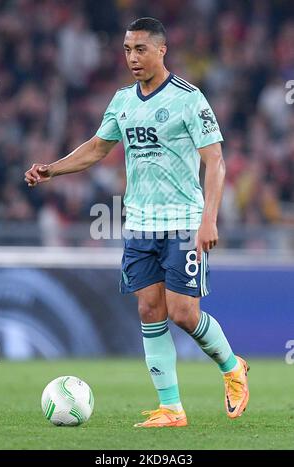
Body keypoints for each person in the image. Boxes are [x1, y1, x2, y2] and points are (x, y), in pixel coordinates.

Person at [25, 17, 249, 428]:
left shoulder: (189, 98)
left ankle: (233, 368)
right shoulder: (123, 100)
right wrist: (52, 170)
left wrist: (208, 219)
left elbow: (214, 160)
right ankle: (171, 409)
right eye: (127, 50)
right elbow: (96, 148)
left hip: (182, 222)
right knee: (149, 310)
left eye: (140, 49)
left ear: (162, 50)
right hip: (140, 225)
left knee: (183, 313)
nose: (132, 57)